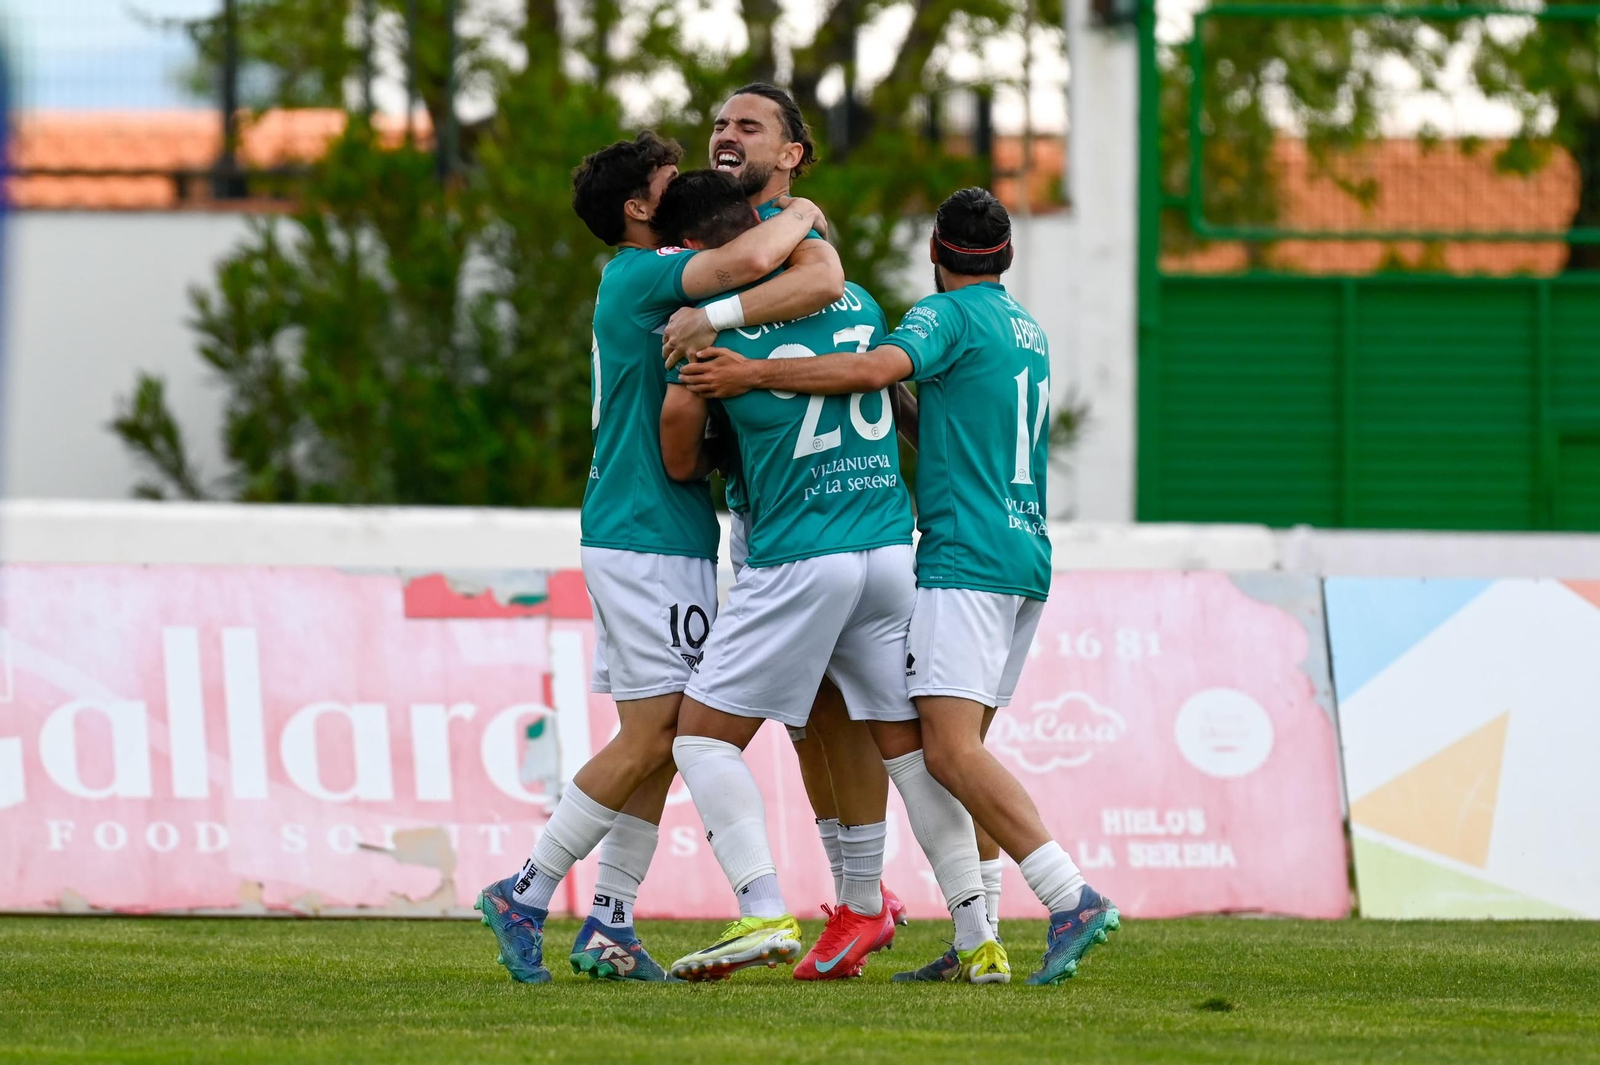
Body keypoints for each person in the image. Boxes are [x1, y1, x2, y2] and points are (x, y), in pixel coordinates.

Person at [678, 187, 1121, 986]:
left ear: (934, 253)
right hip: (1025, 553)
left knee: (947, 751)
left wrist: (747, 371)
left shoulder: (940, 317)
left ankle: (1068, 894)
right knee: (946, 755)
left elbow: (877, 365)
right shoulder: (1026, 328)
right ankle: (977, 937)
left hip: (963, 558)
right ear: (1008, 255)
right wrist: (890, 399)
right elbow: (930, 415)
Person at [475, 131, 843, 984]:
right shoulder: (641, 274)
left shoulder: (635, 279)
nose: (685, 192)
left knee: (662, 732)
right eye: (668, 183)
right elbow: (750, 254)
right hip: (643, 535)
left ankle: (608, 918)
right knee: (660, 733)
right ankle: (526, 894)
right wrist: (804, 212)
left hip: (653, 531)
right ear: (639, 208)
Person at [653, 169, 1007, 984]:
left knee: (701, 737)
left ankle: (760, 908)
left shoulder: (710, 333)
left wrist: (715, 422)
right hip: (887, 548)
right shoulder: (857, 306)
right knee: (911, 752)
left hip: (799, 556)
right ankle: (979, 935)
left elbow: (678, 456)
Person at [669, 79, 913, 934]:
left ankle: (826, 902)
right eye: (718, 124)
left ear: (792, 154)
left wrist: (718, 336)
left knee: (730, 731)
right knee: (823, 721)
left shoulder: (800, 248)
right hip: (826, 529)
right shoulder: (735, 252)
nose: (725, 134)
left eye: (749, 125)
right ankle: (876, 905)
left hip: (804, 540)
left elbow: (824, 289)